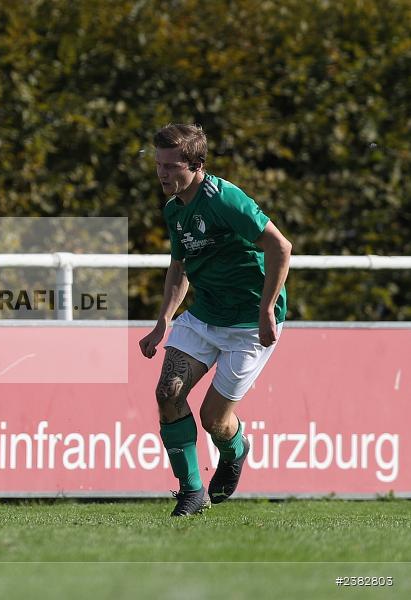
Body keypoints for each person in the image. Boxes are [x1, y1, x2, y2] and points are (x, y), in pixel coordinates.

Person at [139, 123, 292, 516]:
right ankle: (191, 492)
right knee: (167, 392)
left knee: (213, 420)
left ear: (196, 164)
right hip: (204, 316)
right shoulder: (174, 209)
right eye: (158, 164)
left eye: (171, 166)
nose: (162, 173)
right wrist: (162, 323)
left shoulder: (225, 199)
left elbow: (280, 247)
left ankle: (236, 448)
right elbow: (179, 267)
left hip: (248, 324)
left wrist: (266, 311)